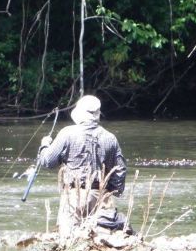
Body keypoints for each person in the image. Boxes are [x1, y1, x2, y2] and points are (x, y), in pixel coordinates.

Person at [38, 95, 129, 241]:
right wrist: (111, 192)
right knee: (101, 243)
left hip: (74, 197)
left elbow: (48, 161)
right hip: (101, 197)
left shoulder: (67, 133)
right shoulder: (110, 138)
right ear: (97, 114)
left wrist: (44, 145)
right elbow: (120, 169)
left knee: (68, 242)